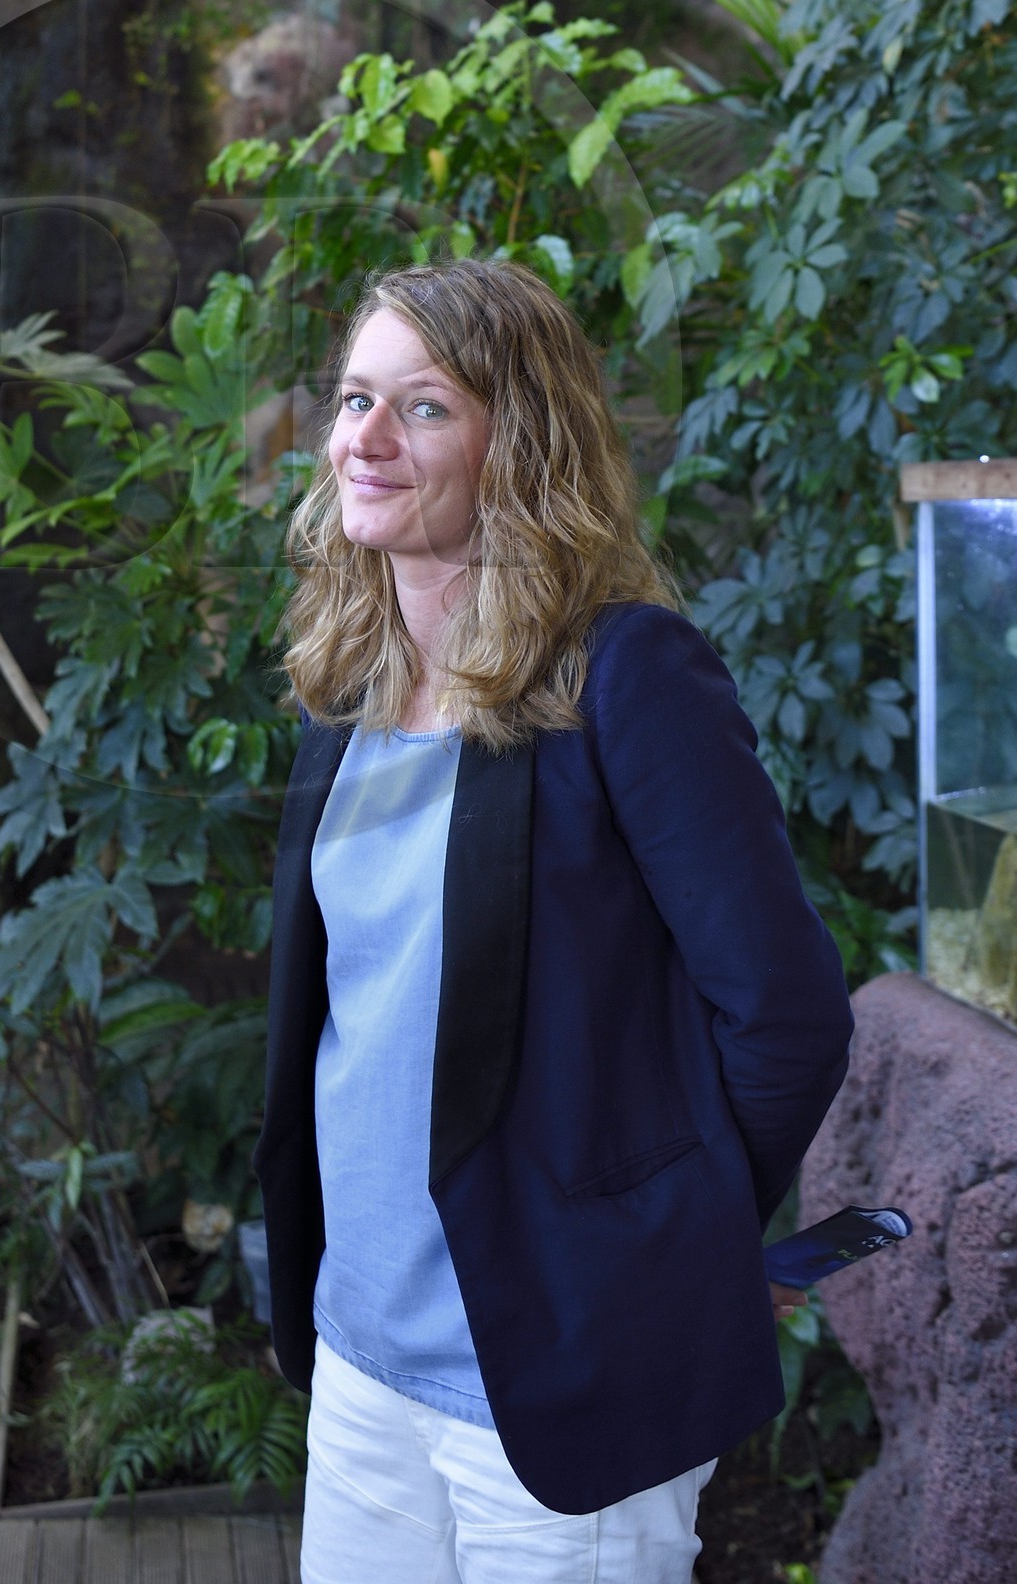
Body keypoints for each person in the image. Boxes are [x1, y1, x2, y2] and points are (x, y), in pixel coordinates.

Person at [254, 258, 854, 1584]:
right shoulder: (347, 687)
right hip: (362, 1355)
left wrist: (669, 1246)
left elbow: (790, 1016)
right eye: (356, 399)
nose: (364, 437)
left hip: (562, 1363)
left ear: (514, 438)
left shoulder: (627, 673)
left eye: (422, 407)